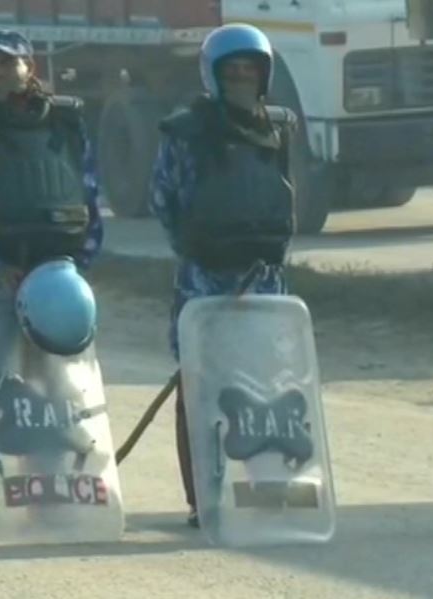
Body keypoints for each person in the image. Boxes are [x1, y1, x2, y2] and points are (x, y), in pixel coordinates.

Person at [0, 30, 104, 535]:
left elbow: (89, 192)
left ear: (28, 66)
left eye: (7, 63)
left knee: (54, 388)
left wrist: (80, 261)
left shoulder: (66, 123)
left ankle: (51, 489)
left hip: (57, 274)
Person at [150, 23, 297, 528]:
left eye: (249, 69)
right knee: (202, 390)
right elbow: (163, 201)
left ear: (263, 74)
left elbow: (283, 198)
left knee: (265, 388)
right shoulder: (186, 131)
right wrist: (200, 256)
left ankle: (264, 485)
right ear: (213, 75)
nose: (241, 77)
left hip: (266, 282)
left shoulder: (277, 127)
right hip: (205, 282)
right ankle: (203, 497)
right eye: (231, 69)